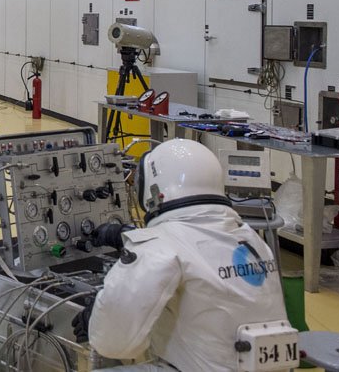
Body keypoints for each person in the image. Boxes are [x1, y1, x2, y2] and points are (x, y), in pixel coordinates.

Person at [87, 139, 290, 371]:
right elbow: (198, 249)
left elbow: (113, 342)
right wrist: (128, 237)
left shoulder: (159, 247)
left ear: (154, 191)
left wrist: (95, 316)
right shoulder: (251, 239)